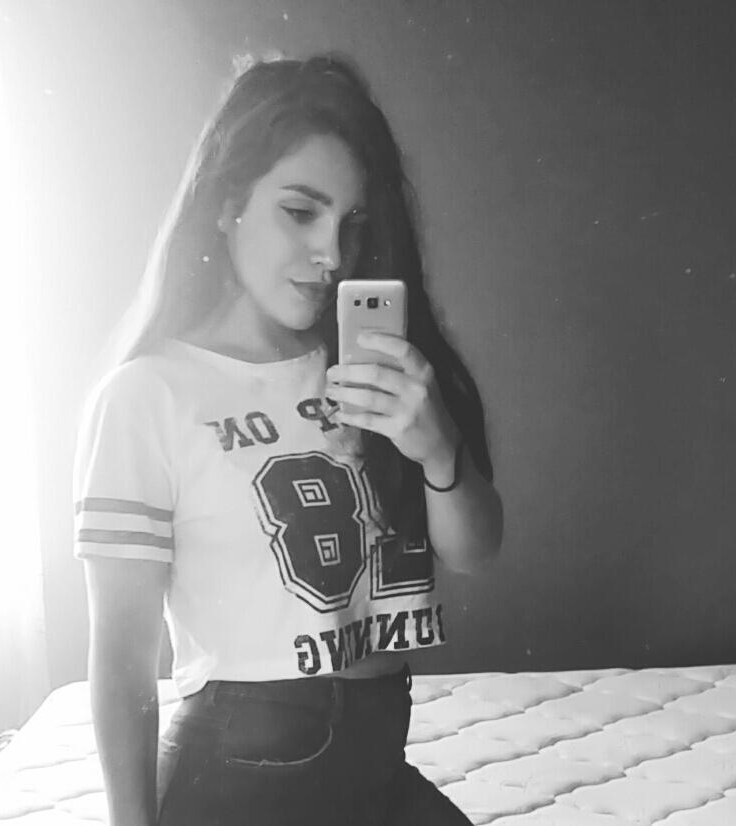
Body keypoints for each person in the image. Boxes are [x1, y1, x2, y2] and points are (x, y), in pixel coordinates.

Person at [72, 52, 503, 826]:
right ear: (227, 203)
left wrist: (437, 449)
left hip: (376, 766)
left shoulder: (376, 370)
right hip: (240, 779)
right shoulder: (147, 396)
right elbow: (123, 661)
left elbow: (476, 550)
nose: (332, 254)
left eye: (353, 223)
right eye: (301, 213)